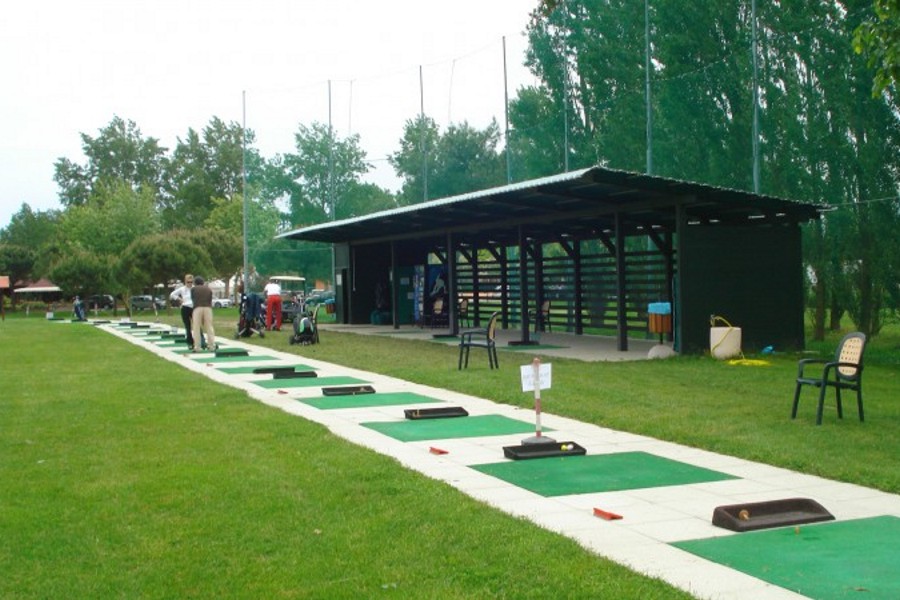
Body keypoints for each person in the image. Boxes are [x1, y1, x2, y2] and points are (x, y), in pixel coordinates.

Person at [169, 274, 196, 348]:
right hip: (185, 308)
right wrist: (179, 299)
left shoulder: (194, 288)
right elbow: (172, 294)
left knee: (196, 325)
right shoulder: (182, 289)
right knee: (187, 326)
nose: (190, 284)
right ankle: (190, 343)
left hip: (193, 308)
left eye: (191, 282)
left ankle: (199, 341)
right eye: (188, 282)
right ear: (185, 281)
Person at [190, 276, 216, 352]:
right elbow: (210, 299)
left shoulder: (193, 289)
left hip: (197, 308)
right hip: (208, 308)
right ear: (203, 282)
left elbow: (193, 299)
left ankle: (197, 347)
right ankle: (211, 346)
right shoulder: (208, 289)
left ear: (195, 283)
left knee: (196, 327)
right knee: (209, 327)